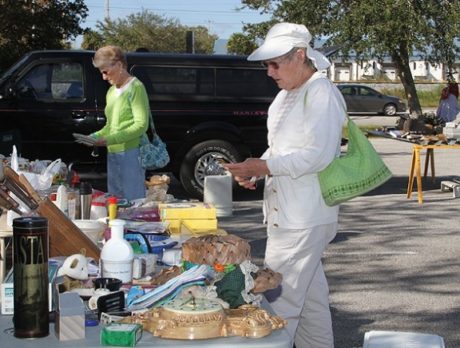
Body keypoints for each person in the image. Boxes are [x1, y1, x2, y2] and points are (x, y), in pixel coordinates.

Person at [223, 23, 346, 348]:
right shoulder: (285, 97)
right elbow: (280, 150)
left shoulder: (321, 92)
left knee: (276, 306)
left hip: (303, 217)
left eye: (275, 63)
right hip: (289, 215)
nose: (269, 71)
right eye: (267, 64)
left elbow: (317, 155)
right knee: (309, 304)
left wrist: (264, 166)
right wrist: (257, 169)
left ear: (300, 55)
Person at [90, 45, 149, 201]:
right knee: (115, 202)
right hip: (113, 153)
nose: (103, 77)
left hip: (131, 153)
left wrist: (110, 139)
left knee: (133, 202)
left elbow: (141, 125)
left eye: (105, 71)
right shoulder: (111, 92)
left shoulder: (136, 87)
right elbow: (111, 126)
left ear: (119, 65)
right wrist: (94, 136)